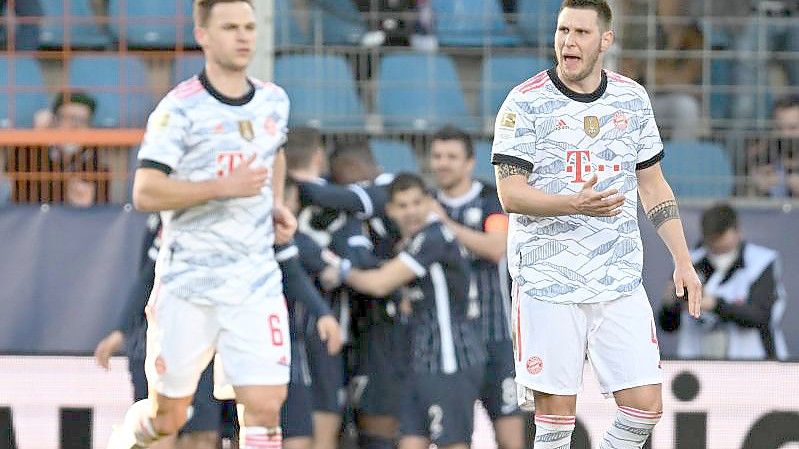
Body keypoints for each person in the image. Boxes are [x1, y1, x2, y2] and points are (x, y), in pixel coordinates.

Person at [490, 1, 702, 448]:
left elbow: (653, 185)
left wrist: (683, 259)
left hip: (618, 279)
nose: (569, 41)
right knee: (555, 421)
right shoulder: (524, 102)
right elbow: (510, 194)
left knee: (645, 407)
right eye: (563, 30)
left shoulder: (631, 98)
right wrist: (574, 204)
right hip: (549, 282)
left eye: (581, 32)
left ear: (605, 40)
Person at [107, 1, 297, 448]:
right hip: (188, 282)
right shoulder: (178, 110)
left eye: (249, 26)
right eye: (230, 27)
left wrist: (273, 205)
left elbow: (276, 153)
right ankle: (127, 439)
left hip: (253, 279)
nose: (243, 36)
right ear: (203, 34)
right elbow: (146, 191)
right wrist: (222, 186)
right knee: (169, 416)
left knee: (267, 405)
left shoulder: (274, 100)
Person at [322, 173, 486, 449]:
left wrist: (339, 268)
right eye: (402, 205)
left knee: (452, 443)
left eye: (417, 203)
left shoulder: (435, 236)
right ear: (389, 210)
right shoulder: (409, 243)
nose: (411, 211)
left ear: (430, 203)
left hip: (450, 358)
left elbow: (379, 284)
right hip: (419, 362)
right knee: (408, 441)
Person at [94, 214, 231, 449]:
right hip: (171, 333)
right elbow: (148, 277)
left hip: (212, 338)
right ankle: (132, 436)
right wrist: (121, 329)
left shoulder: (241, 215)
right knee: (165, 426)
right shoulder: (175, 216)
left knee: (204, 435)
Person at [427, 126, 524, 449]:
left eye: (451, 157)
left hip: (495, 335)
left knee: (511, 436)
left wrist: (444, 224)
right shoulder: (423, 205)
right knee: (454, 438)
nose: (443, 163)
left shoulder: (490, 202)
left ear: (469, 163)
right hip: (448, 342)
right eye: (438, 156)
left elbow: (496, 247)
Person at [658, 203, 789, 360]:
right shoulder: (687, 263)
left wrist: (714, 304)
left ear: (737, 231)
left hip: (755, 364)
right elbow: (668, 326)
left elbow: (761, 315)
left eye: (721, 235)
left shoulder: (761, 261)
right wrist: (670, 305)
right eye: (711, 237)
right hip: (698, 365)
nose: (716, 242)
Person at [6, 90, 110, 206]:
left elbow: (102, 202)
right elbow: (12, 174)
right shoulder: (36, 152)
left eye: (82, 121)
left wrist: (88, 203)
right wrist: (35, 136)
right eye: (68, 118)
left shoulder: (95, 159)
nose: (75, 126)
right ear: (54, 122)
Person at [747, 95, 799, 197]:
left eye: (792, 128)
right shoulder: (764, 155)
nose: (785, 135)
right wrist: (756, 185)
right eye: (780, 128)